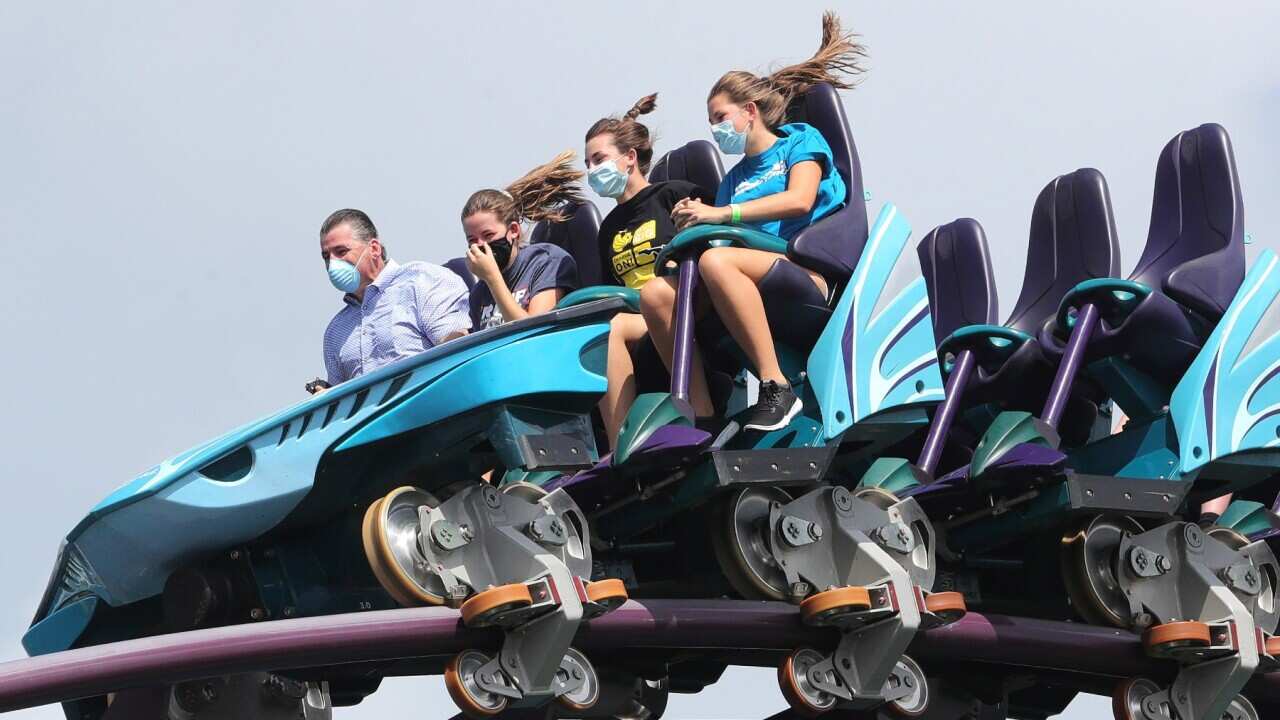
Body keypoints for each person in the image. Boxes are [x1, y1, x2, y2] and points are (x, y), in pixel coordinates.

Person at [639, 11, 864, 432]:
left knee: (717, 263)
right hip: (749, 276)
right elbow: (723, 241)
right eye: (710, 122)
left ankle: (777, 387)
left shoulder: (799, 140)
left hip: (809, 273)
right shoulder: (733, 180)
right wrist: (694, 228)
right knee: (656, 294)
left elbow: (799, 200)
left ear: (750, 110)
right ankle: (700, 415)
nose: (716, 128)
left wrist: (721, 214)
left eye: (720, 117)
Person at [585, 93, 713, 448]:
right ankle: (619, 444)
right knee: (600, 330)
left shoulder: (673, 193)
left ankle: (701, 413)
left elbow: (711, 240)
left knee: (650, 298)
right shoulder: (608, 228)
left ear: (629, 158)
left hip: (684, 298)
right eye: (588, 164)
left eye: (599, 159)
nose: (593, 171)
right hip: (638, 313)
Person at [320, 208, 471, 386]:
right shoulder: (335, 332)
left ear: (374, 249)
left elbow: (459, 353)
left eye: (341, 251)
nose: (332, 263)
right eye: (326, 256)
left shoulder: (422, 280)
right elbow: (339, 403)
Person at [462, 151, 583, 331]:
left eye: (488, 236)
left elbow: (535, 332)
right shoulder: (479, 292)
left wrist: (493, 278)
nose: (480, 245)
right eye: (472, 239)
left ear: (513, 231)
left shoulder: (546, 262)